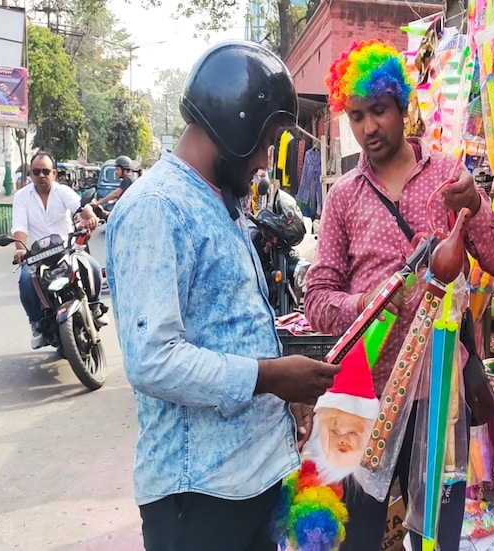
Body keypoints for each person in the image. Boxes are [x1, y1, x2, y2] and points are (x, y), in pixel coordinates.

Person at [105, 40, 340, 551]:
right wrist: (269, 377)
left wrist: (281, 397)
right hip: (200, 498)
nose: (265, 160)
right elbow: (152, 360)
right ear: (237, 127)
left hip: (249, 482)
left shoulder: (219, 203)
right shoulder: (157, 207)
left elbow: (228, 330)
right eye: (266, 142)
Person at [304, 40, 494, 551]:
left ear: (402, 106)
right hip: (364, 397)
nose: (368, 128)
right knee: (355, 538)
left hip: (439, 401)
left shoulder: (447, 177)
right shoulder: (343, 197)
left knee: (435, 538)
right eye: (356, 117)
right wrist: (365, 303)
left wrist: (475, 206)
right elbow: (317, 300)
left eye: (378, 110)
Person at [10, 151, 99, 348]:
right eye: (36, 172)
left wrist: (91, 217)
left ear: (54, 173)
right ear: (30, 174)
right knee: (25, 281)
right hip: (38, 256)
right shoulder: (22, 197)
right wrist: (20, 250)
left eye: (45, 171)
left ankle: (95, 306)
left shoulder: (63, 192)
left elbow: (80, 208)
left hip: (67, 249)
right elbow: (19, 226)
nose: (41, 175)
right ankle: (37, 324)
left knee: (92, 266)